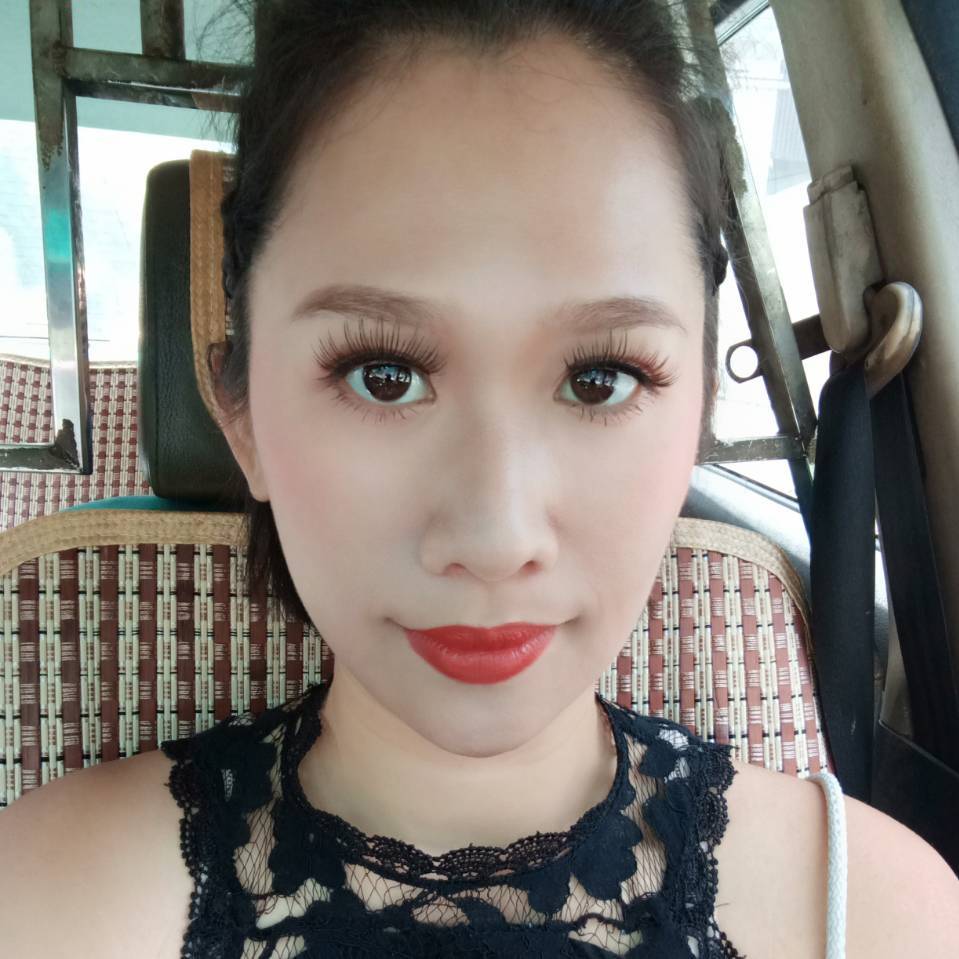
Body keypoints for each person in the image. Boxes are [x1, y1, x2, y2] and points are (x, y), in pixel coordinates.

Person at [2, 2, 958, 957]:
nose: (495, 538)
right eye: (383, 376)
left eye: (600, 378)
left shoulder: (878, 914)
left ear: (699, 417)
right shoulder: (38, 902)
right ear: (240, 415)